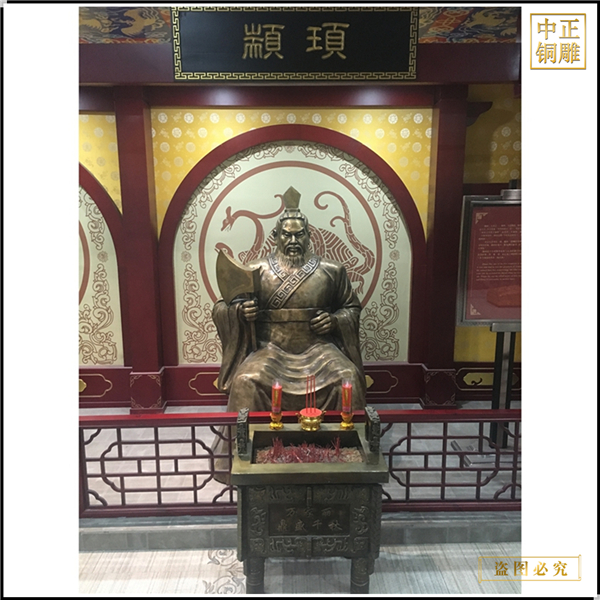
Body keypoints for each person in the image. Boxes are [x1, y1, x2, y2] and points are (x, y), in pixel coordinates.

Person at [212, 186, 366, 416]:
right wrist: (240, 312)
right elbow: (222, 307)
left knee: (348, 376)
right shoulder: (256, 270)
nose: (293, 240)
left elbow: (351, 308)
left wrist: (335, 321)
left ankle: (346, 436)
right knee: (245, 380)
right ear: (275, 237)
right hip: (270, 349)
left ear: (309, 236)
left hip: (319, 350)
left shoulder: (332, 271)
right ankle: (246, 437)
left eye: (299, 234)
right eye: (286, 235)